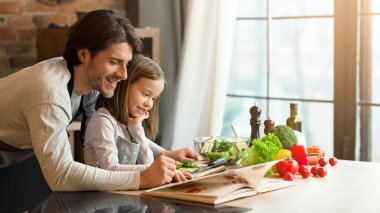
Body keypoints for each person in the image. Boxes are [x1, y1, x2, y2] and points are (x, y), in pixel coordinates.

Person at [0, 9, 197, 192]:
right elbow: (61, 176)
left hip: (19, 150)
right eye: (113, 62)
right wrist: (141, 179)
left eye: (126, 63)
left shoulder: (91, 84)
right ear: (84, 54)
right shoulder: (50, 95)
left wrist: (165, 155)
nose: (123, 75)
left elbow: (112, 136)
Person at [83, 54, 193, 186]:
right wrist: (155, 170)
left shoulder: (128, 124)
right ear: (122, 86)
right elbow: (110, 169)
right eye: (146, 94)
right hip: (101, 200)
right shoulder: (102, 122)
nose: (149, 104)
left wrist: (136, 128)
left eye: (153, 98)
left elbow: (147, 161)